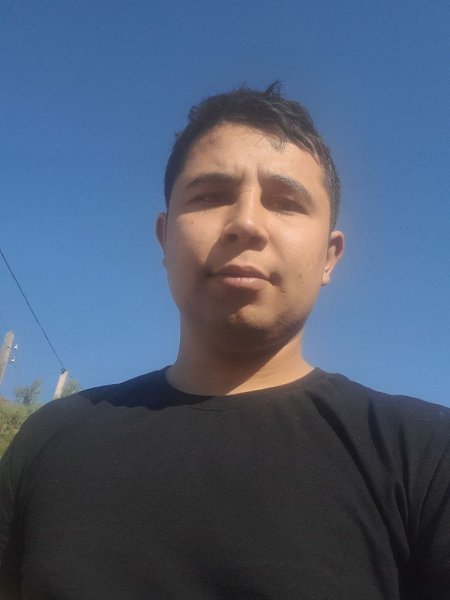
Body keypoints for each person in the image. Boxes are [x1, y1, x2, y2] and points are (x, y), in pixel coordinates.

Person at [1, 83, 449, 599]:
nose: (246, 223)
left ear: (330, 256)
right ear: (164, 237)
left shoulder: (427, 456)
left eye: (286, 202)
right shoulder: (48, 441)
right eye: (210, 195)